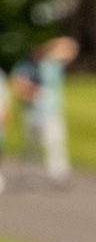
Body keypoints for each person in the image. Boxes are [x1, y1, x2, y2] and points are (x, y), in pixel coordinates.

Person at [12, 36, 79, 186]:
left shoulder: (53, 64)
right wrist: (30, 92)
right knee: (32, 144)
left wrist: (56, 46)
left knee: (55, 142)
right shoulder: (27, 65)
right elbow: (18, 85)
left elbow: (70, 49)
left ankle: (59, 173)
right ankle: (30, 174)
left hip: (52, 111)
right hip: (32, 111)